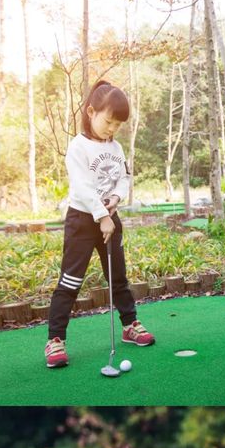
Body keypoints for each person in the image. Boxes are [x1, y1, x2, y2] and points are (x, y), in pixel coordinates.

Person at [45, 79, 155, 368]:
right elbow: (81, 187)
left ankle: (130, 326)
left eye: (117, 125)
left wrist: (116, 199)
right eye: (108, 121)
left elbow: (124, 178)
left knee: (118, 277)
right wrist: (103, 216)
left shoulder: (116, 147)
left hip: (109, 217)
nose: (111, 129)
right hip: (83, 220)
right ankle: (55, 340)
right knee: (70, 281)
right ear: (91, 111)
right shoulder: (78, 147)